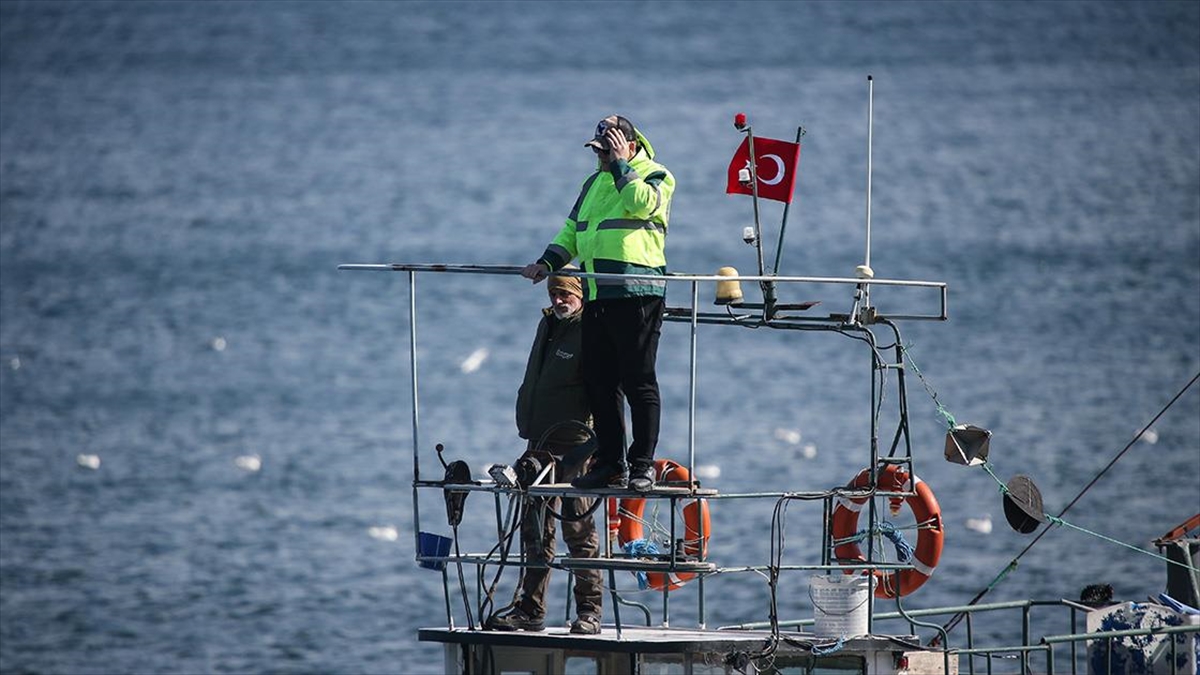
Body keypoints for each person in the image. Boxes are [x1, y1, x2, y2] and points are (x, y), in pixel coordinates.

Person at [521, 115, 675, 493]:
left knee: (639, 381)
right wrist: (548, 262)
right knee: (599, 382)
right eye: (598, 150)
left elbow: (641, 205)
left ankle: (642, 465)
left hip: (637, 292)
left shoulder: (655, 174)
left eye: (607, 149)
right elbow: (573, 230)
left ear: (629, 145)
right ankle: (610, 463)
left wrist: (623, 166)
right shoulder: (593, 182)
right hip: (597, 293)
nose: (602, 156)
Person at [486, 268, 604, 635]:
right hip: (538, 445)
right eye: (553, 294)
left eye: (565, 294)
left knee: (579, 531)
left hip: (576, 448)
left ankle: (590, 612)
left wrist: (599, 448)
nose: (557, 300)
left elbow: (606, 397)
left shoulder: (591, 331)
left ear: (580, 294)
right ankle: (530, 610)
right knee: (535, 532)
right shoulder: (548, 324)